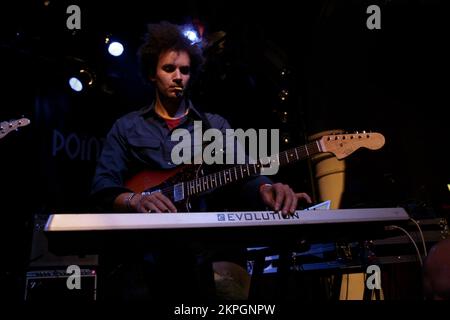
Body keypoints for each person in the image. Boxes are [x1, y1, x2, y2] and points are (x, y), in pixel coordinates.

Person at [90, 21, 311, 300]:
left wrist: (266, 187)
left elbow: (246, 173)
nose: (178, 76)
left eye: (185, 70)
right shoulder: (126, 127)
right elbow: (102, 186)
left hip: (201, 253)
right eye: (169, 69)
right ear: (151, 74)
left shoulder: (214, 126)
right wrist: (136, 200)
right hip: (142, 255)